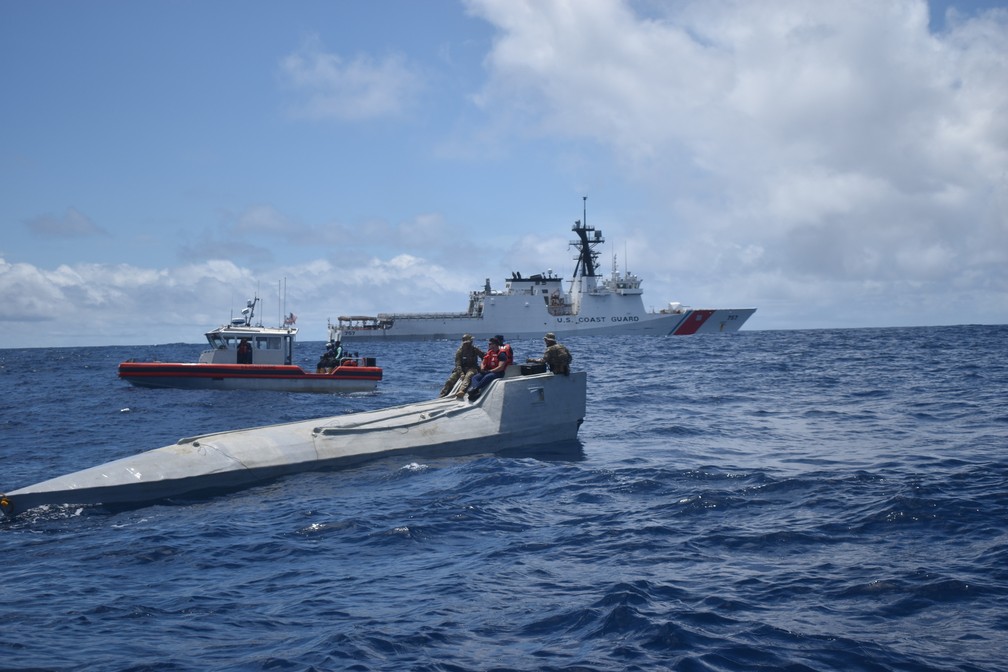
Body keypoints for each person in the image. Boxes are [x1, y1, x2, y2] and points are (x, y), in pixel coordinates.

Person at [461, 335, 511, 400]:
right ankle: (475, 391)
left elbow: (501, 367)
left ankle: (474, 389)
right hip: (488, 371)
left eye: (490, 344)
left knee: (487, 377)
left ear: (495, 345)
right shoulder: (490, 352)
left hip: (497, 372)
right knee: (475, 377)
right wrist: (482, 368)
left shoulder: (501, 354)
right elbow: (483, 361)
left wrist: (490, 371)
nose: (489, 345)